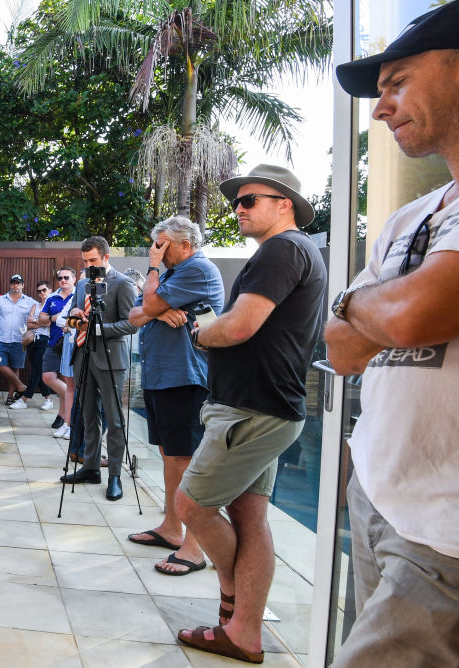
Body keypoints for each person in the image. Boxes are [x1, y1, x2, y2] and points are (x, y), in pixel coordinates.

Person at [326, 9, 459, 665]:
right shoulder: (412, 216)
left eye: (397, 82)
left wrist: (358, 301)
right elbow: (339, 347)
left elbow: (411, 318)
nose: (380, 109)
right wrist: (367, 304)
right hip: (377, 495)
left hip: (443, 535)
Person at [172, 165, 326, 663]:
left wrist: (201, 332)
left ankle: (232, 597)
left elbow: (239, 327)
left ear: (285, 204)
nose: (238, 208)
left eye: (250, 199)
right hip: (270, 407)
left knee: (191, 506)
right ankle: (244, 630)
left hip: (250, 409)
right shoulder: (301, 252)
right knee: (250, 515)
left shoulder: (283, 249)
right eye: (237, 201)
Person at [127, 216, 224, 576]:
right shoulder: (170, 274)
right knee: (171, 456)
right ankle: (171, 528)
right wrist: (159, 309)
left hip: (185, 378)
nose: (157, 251)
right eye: (156, 246)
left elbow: (145, 308)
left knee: (185, 460)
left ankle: (195, 548)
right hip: (162, 376)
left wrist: (153, 291)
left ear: (185, 244)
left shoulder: (196, 269)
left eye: (163, 245)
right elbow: (136, 315)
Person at [58, 238, 138, 501]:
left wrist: (99, 329)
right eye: (85, 262)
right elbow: (69, 317)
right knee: (88, 416)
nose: (89, 266)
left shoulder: (123, 284)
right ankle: (91, 468)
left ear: (105, 258)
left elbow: (131, 325)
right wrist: (75, 315)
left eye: (93, 261)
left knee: (114, 420)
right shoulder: (81, 284)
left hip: (111, 360)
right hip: (83, 357)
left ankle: (114, 475)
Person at [39, 267, 76, 437]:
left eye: (66, 277)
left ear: (74, 279)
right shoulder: (52, 297)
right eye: (60, 277)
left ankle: (64, 417)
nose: (63, 280)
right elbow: (41, 319)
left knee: (70, 383)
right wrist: (52, 318)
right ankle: (66, 408)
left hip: (72, 344)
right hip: (53, 343)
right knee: (48, 377)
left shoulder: (78, 296)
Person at [0, 274, 38, 406]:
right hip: (2, 339)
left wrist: (33, 329)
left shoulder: (30, 302)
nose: (15, 285)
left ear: (23, 285)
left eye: (18, 283)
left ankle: (10, 396)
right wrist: (1, 328)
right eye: (13, 283)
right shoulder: (1, 300)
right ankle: (21, 386)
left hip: (19, 340)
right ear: (10, 285)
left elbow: (38, 315)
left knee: (15, 367)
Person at [17, 280, 54, 411]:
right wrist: (42, 322)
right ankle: (48, 399)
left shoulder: (53, 306)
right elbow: (28, 324)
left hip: (45, 340)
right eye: (39, 291)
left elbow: (51, 324)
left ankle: (24, 398)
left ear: (50, 290)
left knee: (36, 371)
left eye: (44, 290)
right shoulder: (35, 306)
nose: (41, 293)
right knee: (37, 370)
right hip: (32, 339)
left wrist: (37, 321)